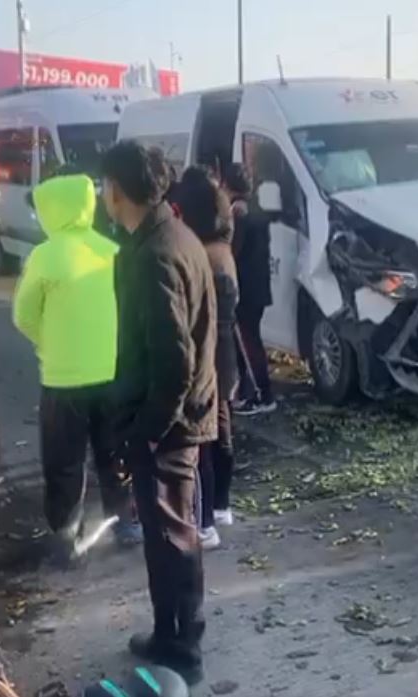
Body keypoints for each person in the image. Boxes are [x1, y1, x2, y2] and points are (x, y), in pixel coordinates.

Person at [101, 141, 217, 685]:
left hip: (168, 423)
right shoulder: (169, 236)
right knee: (163, 535)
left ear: (116, 190)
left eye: (105, 186)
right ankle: (168, 634)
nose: (103, 196)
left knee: (174, 539)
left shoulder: (155, 254)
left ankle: (183, 652)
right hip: (171, 416)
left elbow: (175, 361)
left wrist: (147, 432)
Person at [12, 172, 142, 558]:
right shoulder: (112, 250)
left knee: (64, 460)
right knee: (114, 452)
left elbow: (23, 315)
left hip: (62, 377)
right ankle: (126, 523)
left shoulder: (44, 256)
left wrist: (48, 340)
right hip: (110, 373)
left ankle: (66, 537)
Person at [175, 167, 239, 551]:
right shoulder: (224, 249)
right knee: (222, 428)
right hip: (226, 352)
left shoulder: (199, 254)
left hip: (208, 354)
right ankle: (220, 507)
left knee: (203, 437)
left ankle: (205, 521)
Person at [225, 163, 276, 415]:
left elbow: (233, 250)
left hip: (246, 287)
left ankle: (262, 395)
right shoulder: (257, 208)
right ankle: (247, 392)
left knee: (248, 341)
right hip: (258, 285)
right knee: (246, 340)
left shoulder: (239, 214)